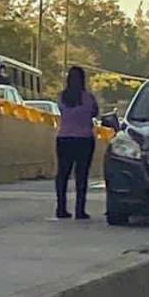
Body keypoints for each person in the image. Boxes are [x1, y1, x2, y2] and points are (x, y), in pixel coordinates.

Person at [55, 66, 99, 220]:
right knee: (81, 176)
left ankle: (61, 208)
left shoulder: (62, 97)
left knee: (62, 175)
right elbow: (95, 112)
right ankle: (80, 210)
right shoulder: (89, 98)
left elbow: (61, 111)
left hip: (64, 138)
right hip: (84, 139)